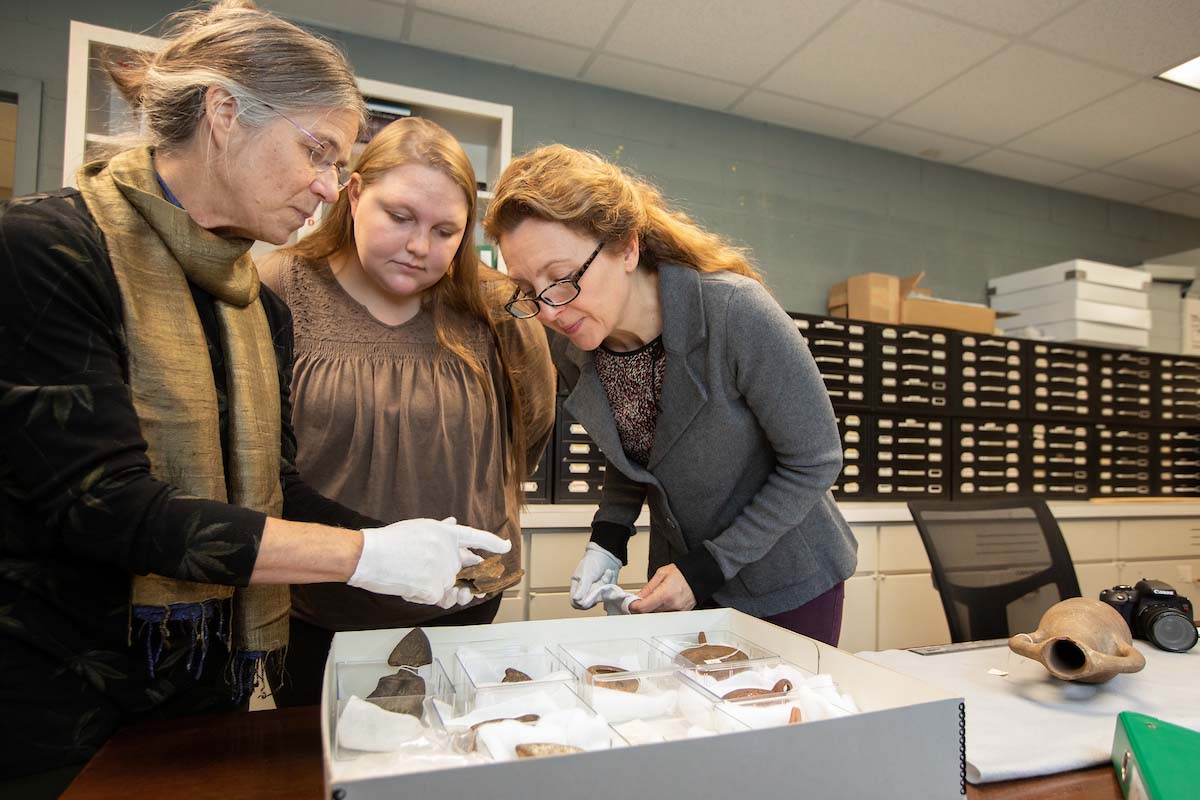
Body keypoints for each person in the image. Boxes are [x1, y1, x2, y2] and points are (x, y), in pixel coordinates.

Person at [0, 3, 507, 794]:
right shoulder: (49, 250)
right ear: (224, 112)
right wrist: (365, 556)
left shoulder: (248, 302)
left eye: (340, 164)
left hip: (205, 687)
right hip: (61, 702)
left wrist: (403, 543)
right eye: (318, 151)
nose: (327, 185)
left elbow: (279, 488)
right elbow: (108, 508)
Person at [484, 144, 857, 643]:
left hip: (786, 581)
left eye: (562, 278)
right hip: (686, 579)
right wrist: (608, 539)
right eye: (529, 290)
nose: (549, 310)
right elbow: (636, 455)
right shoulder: (575, 342)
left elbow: (815, 460)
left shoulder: (733, 313)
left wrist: (706, 568)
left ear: (627, 248)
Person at [258, 117, 555, 707]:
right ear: (353, 193)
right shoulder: (275, 288)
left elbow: (532, 426)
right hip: (317, 607)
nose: (420, 246)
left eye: (446, 230)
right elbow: (251, 456)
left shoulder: (496, 308)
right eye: (400, 217)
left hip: (461, 600)